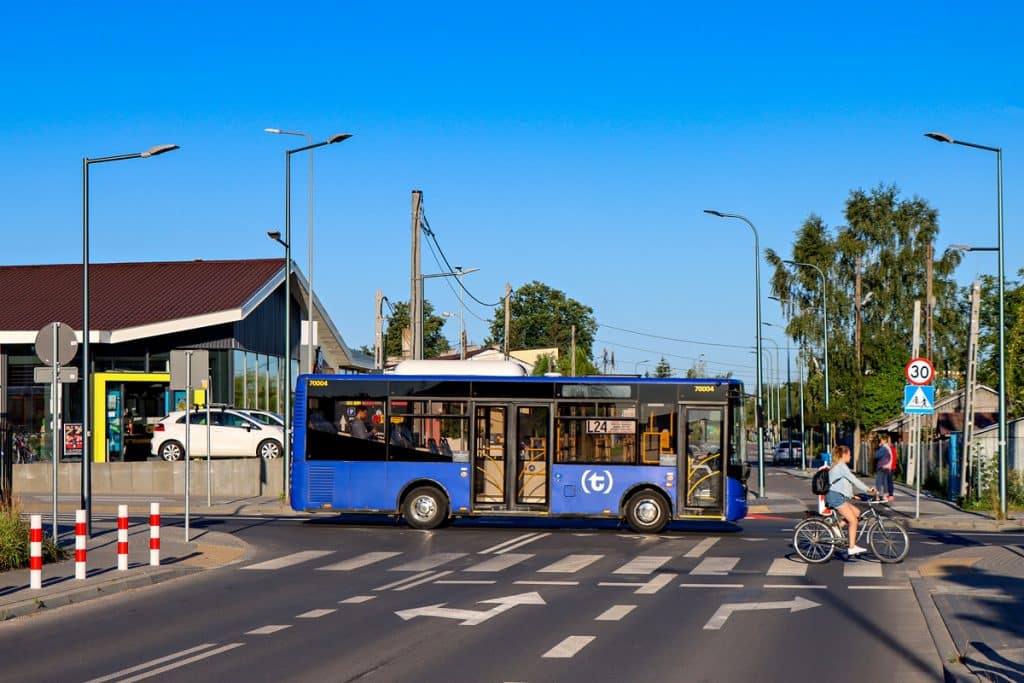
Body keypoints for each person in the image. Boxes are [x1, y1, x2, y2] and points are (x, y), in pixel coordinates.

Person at [824, 444, 877, 556]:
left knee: (857, 512)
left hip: (836, 495)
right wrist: (868, 489)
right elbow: (854, 480)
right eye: (849, 454)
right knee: (853, 520)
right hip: (835, 497)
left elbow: (841, 484)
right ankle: (852, 547)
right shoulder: (841, 466)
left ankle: (835, 528)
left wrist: (853, 496)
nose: (851, 456)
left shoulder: (839, 466)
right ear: (844, 455)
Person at [874, 433, 895, 503]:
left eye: (881, 440)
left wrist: (879, 448)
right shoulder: (889, 448)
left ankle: (877, 496)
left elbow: (876, 455)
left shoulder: (884, 448)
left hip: (881, 466)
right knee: (885, 481)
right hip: (887, 467)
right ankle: (885, 496)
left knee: (878, 481)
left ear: (884, 440)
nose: (880, 442)